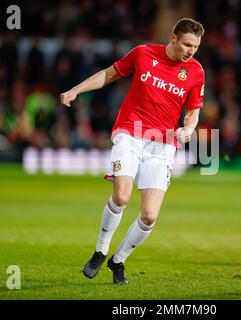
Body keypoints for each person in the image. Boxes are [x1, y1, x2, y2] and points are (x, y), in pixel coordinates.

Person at [60, 18, 205, 285]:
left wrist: (188, 129)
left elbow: (193, 112)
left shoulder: (196, 72)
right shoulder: (143, 54)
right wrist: (76, 90)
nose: (190, 51)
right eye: (187, 44)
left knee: (149, 216)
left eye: (195, 46)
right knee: (122, 196)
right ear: (173, 38)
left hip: (162, 144)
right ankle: (101, 251)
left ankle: (119, 259)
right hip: (130, 132)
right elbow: (108, 74)